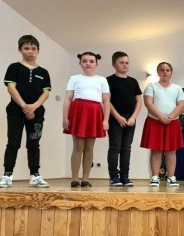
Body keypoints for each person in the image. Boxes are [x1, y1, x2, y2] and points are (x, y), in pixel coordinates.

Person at [0, 35, 51, 188]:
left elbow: (46, 93)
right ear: (20, 49)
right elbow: (11, 88)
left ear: (38, 51)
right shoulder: (14, 67)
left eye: (33, 49)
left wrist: (34, 107)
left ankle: (35, 175)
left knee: (33, 144)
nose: (30, 51)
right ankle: (7, 175)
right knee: (13, 143)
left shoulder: (44, 72)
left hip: (37, 113)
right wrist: (25, 106)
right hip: (15, 112)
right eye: (26, 48)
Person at [63, 52, 110, 187]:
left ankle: (85, 178)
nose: (88, 63)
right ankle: (74, 178)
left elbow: (106, 101)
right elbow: (68, 99)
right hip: (78, 111)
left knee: (89, 147)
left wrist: (105, 120)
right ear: (80, 63)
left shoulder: (102, 80)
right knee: (78, 146)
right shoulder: (74, 78)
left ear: (96, 64)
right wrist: (65, 117)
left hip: (94, 112)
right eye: (84, 61)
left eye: (91, 61)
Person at [140, 62, 184, 187]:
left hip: (172, 122)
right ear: (158, 72)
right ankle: (155, 177)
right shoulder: (151, 86)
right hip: (155, 121)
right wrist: (161, 116)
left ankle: (171, 177)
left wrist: (169, 117)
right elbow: (148, 103)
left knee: (171, 151)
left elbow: (181, 104)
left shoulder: (177, 88)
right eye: (162, 69)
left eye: (167, 70)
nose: (165, 72)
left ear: (171, 73)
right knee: (156, 150)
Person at [106, 52, 142, 186]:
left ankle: (124, 176)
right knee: (115, 147)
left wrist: (133, 117)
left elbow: (139, 101)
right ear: (113, 64)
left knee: (126, 148)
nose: (125, 65)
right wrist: (118, 117)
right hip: (115, 118)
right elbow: (107, 101)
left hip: (130, 118)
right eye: (121, 63)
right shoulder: (108, 80)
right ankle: (113, 176)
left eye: (127, 63)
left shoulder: (133, 81)